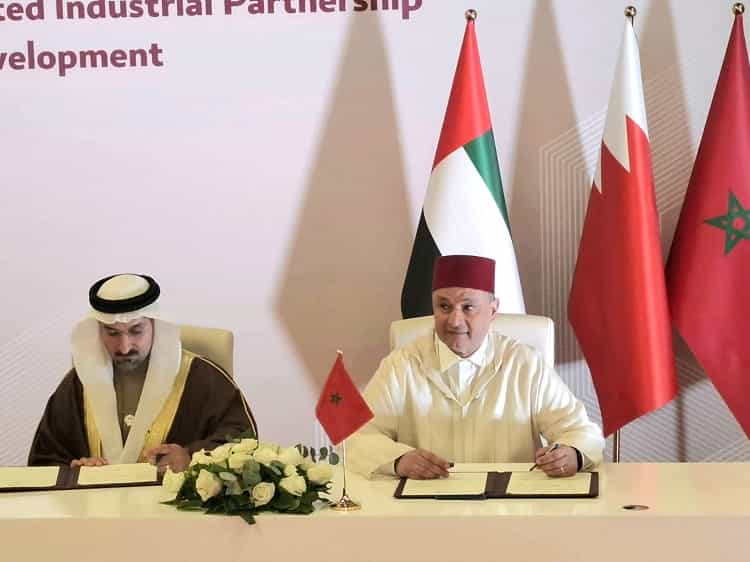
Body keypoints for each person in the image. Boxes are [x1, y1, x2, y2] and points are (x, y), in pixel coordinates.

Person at [349, 255, 604, 479]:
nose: (455, 320)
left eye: (468, 307)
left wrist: (571, 454)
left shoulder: (525, 364)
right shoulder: (401, 365)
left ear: (493, 311)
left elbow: (580, 431)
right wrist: (399, 460)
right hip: (425, 508)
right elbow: (358, 437)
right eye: (444, 307)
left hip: (509, 508)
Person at [28, 273, 257, 472]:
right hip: (97, 506)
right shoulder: (78, 384)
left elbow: (243, 443)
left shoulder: (202, 378)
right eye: (112, 333)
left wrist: (191, 457)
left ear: (155, 325)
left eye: (136, 331)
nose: (124, 347)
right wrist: (75, 471)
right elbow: (45, 458)